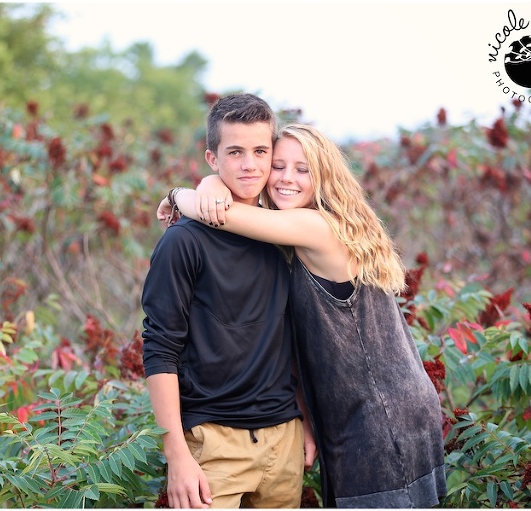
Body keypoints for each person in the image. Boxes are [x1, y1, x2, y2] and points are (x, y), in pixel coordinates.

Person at [160, 123, 447, 508]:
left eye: (302, 169)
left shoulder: (317, 227)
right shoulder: (310, 229)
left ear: (323, 176)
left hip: (379, 416)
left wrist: (181, 193)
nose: (286, 178)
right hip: (388, 407)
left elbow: (220, 215)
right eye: (278, 166)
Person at [141, 94, 316, 509]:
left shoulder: (286, 235)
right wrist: (177, 456)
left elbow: (290, 338)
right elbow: (160, 349)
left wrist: (305, 421)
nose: (249, 165)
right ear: (212, 159)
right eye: (235, 152)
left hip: (284, 439)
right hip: (212, 443)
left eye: (260, 152)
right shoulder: (183, 242)